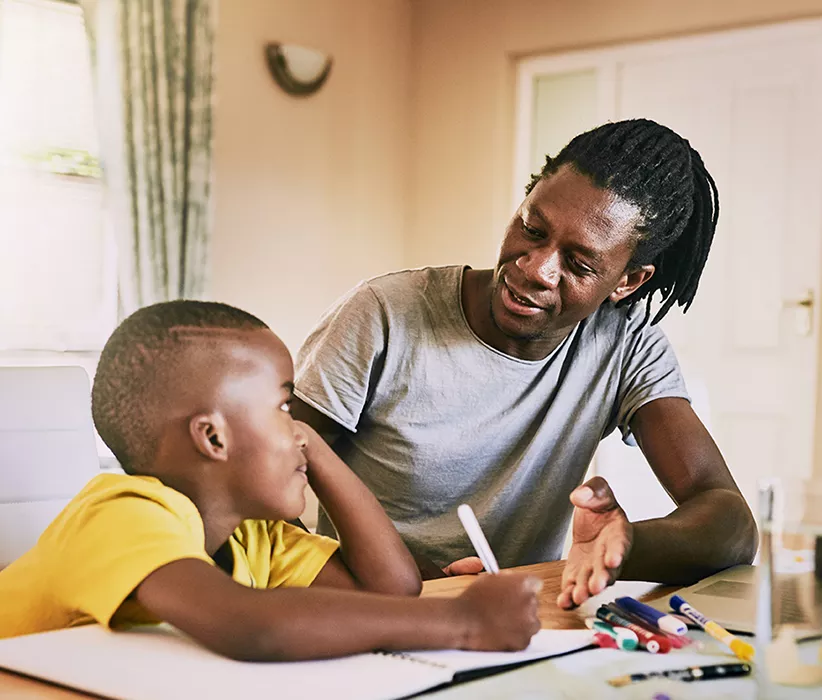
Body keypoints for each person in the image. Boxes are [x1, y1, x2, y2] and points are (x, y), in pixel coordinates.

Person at [292, 118, 758, 610]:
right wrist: (409, 581)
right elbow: (252, 493)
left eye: (579, 265)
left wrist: (624, 548)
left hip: (515, 624)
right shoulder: (383, 316)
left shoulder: (626, 345)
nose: (534, 268)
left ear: (628, 282)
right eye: (531, 229)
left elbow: (731, 524)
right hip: (372, 608)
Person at [0, 300, 543, 659]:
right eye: (284, 407)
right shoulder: (123, 512)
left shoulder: (252, 536)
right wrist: (463, 623)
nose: (300, 429)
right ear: (213, 439)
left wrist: (316, 450)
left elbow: (392, 588)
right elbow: (248, 624)